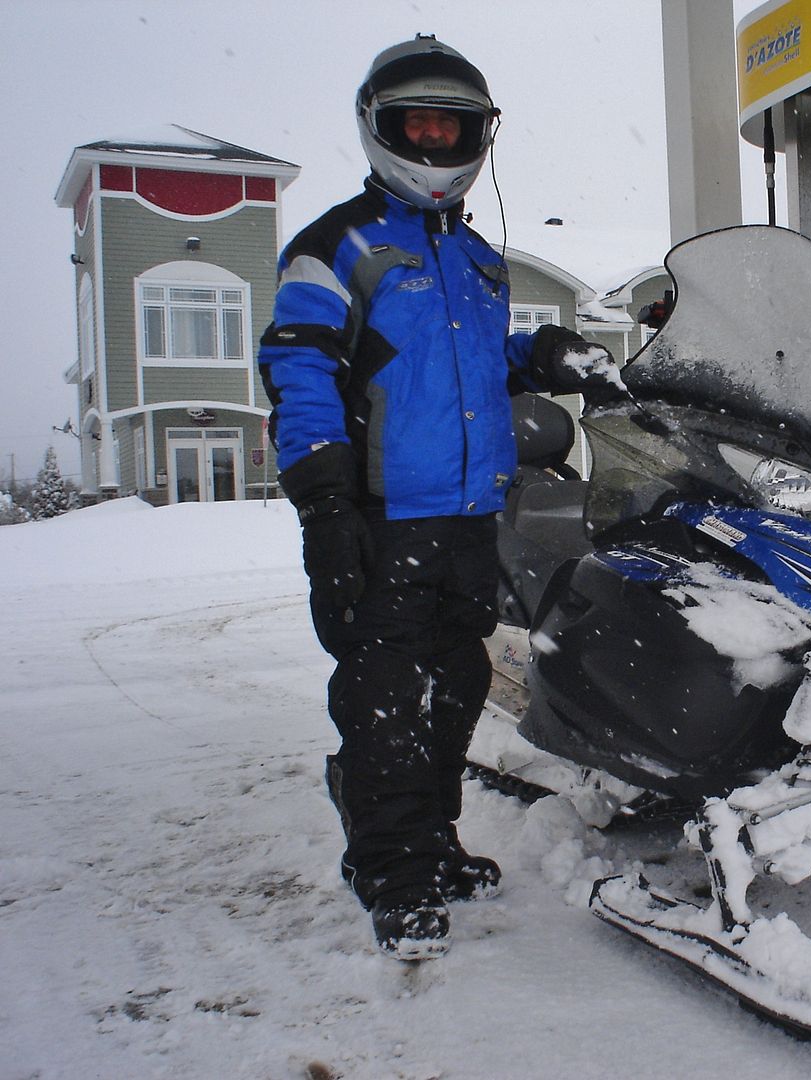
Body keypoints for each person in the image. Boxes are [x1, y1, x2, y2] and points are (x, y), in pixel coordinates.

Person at [258, 34, 618, 960]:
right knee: (384, 699)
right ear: (379, 130)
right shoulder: (339, 247)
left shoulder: (480, 260)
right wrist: (326, 510)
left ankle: (430, 838)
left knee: (454, 686)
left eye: (452, 126)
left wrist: (542, 355)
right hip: (380, 519)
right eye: (417, 124)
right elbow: (300, 372)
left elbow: (465, 362)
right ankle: (391, 873)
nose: (434, 141)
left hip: (469, 519)